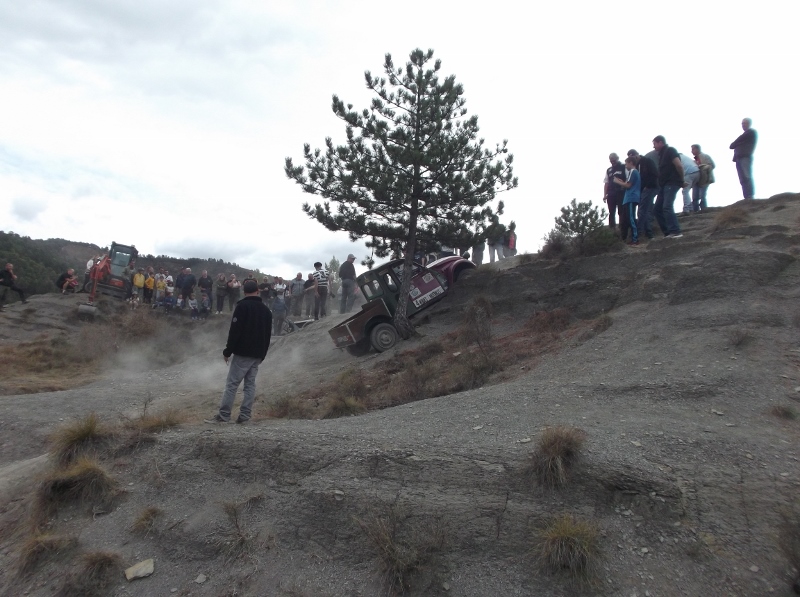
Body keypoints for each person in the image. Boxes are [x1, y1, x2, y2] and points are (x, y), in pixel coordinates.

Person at [205, 279, 272, 424]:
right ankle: (245, 416)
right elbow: (268, 334)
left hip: (243, 352)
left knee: (232, 384)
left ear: (244, 291)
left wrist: (227, 351)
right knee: (250, 385)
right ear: (258, 291)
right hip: (257, 354)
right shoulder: (266, 310)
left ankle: (224, 415)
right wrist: (263, 354)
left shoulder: (242, 306)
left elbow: (235, 331)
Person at [652, 136, 685, 239]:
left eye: (654, 144)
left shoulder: (670, 150)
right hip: (664, 185)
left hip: (672, 182)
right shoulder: (661, 155)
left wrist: (682, 180)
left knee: (667, 206)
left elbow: (679, 165)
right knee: (657, 209)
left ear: (660, 142)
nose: (653, 146)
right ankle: (668, 232)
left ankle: (675, 231)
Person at [627, 149, 658, 241]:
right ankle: (647, 232)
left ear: (636, 155)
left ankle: (643, 232)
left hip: (650, 187)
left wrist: (648, 186)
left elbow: (654, 174)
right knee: (645, 209)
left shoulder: (647, 161)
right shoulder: (636, 167)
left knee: (643, 209)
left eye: (633, 157)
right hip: (642, 190)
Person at [614, 156, 642, 245]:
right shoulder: (632, 172)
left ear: (631, 163)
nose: (625, 166)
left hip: (631, 197)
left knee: (631, 218)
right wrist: (621, 182)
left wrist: (618, 182)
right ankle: (633, 238)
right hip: (628, 198)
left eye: (626, 164)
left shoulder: (633, 171)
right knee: (627, 218)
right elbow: (627, 184)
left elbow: (628, 185)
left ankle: (635, 239)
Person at [730, 118, 757, 199]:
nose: (743, 125)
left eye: (744, 123)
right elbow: (731, 146)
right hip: (738, 158)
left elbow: (735, 143)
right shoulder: (745, 135)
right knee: (742, 178)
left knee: (746, 176)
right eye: (742, 123)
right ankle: (746, 197)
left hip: (745, 157)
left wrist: (738, 143)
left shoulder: (751, 132)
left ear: (749, 124)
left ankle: (750, 196)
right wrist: (739, 143)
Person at [603, 153, 626, 231]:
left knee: (621, 210)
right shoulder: (609, 170)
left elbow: (628, 179)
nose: (612, 161)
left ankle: (622, 227)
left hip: (621, 191)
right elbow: (606, 183)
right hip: (611, 193)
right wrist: (605, 195)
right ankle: (612, 228)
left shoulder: (623, 166)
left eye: (613, 159)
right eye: (611, 160)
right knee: (611, 211)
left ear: (617, 158)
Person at [691, 144, 715, 212]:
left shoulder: (705, 156)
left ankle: (703, 210)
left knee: (702, 195)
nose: (691, 151)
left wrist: (703, 167)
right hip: (697, 179)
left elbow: (712, 165)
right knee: (695, 196)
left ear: (697, 149)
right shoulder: (694, 160)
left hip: (705, 178)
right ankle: (695, 210)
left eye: (693, 149)